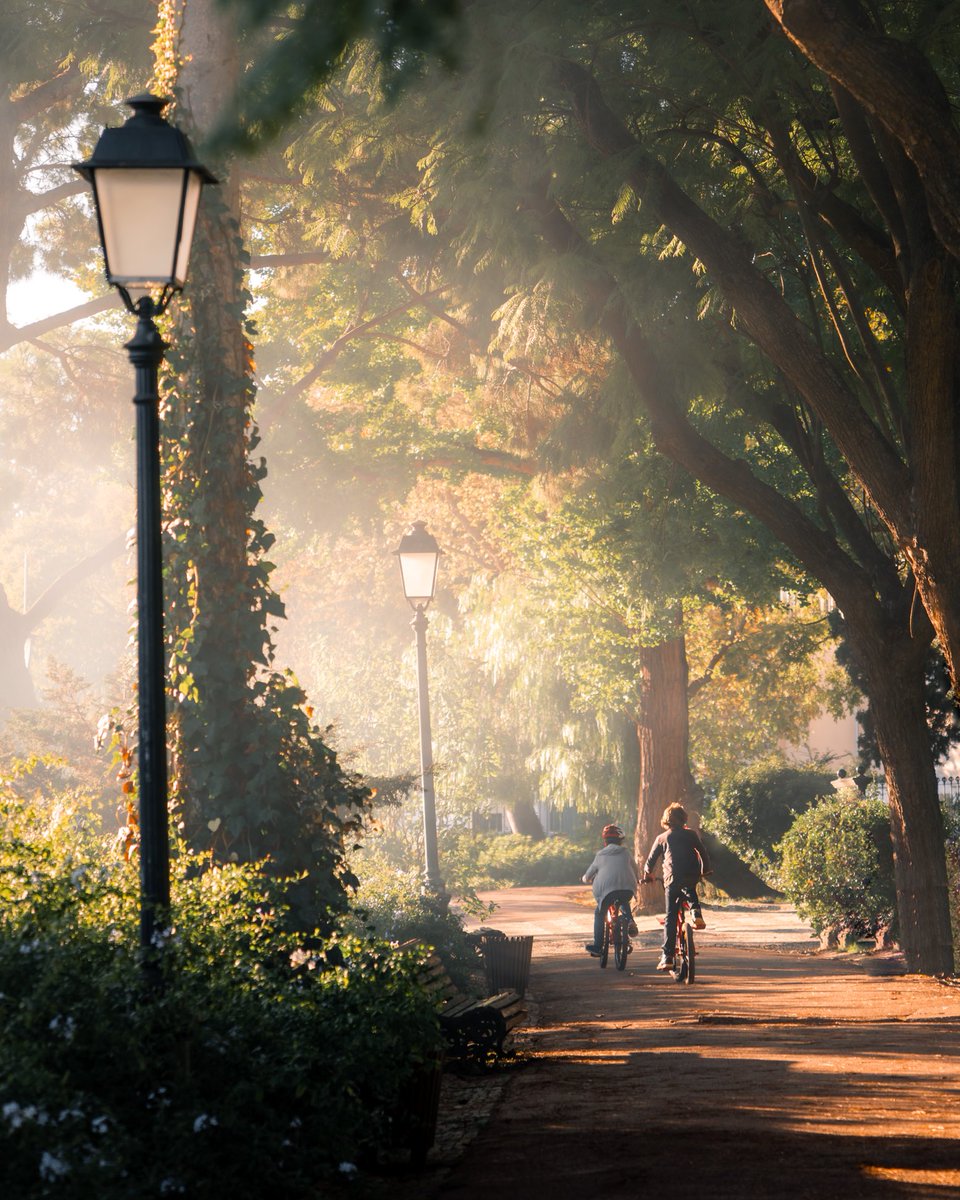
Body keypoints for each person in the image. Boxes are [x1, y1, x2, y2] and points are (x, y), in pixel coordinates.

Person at [642, 803, 711, 971]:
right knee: (690, 889)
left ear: (666, 820)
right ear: (684, 819)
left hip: (671, 879)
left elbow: (650, 861)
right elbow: (702, 851)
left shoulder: (661, 838)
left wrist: (648, 875)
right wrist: (705, 869)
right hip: (691, 874)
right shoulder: (691, 834)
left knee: (671, 917)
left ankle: (667, 957)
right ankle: (696, 914)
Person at [582, 823, 640, 957]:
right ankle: (630, 921)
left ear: (605, 841)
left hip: (607, 891)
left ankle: (597, 946)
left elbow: (589, 875)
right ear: (620, 841)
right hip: (627, 888)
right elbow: (635, 869)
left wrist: (585, 879)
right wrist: (638, 879)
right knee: (623, 900)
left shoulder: (600, 855)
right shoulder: (626, 853)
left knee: (599, 913)